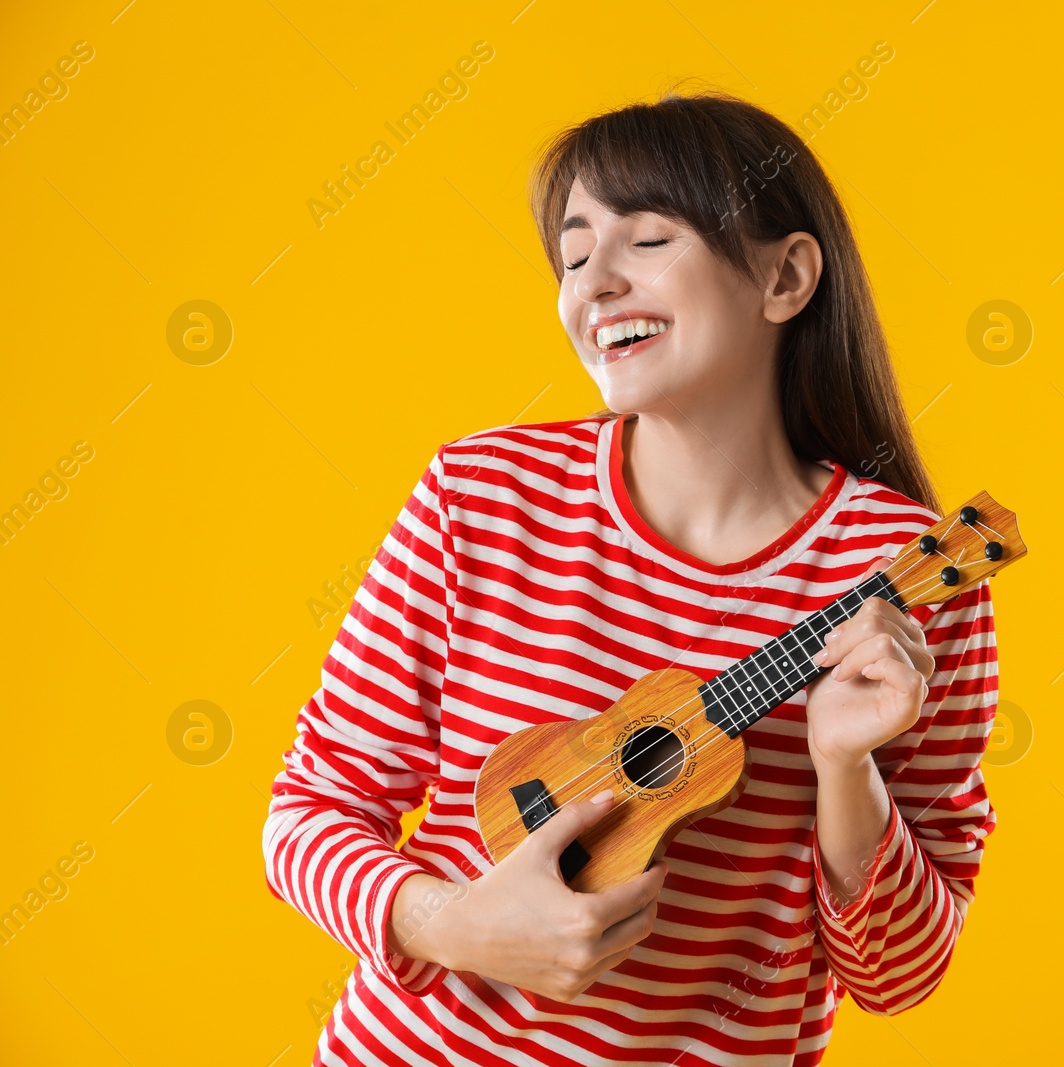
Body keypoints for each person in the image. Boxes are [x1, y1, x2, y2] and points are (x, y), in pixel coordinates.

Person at [263, 87, 1000, 1067]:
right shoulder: (480, 496)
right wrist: (452, 925)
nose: (592, 284)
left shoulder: (905, 581)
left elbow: (897, 974)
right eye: (571, 255)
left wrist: (845, 768)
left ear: (784, 277)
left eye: (646, 241)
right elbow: (309, 807)